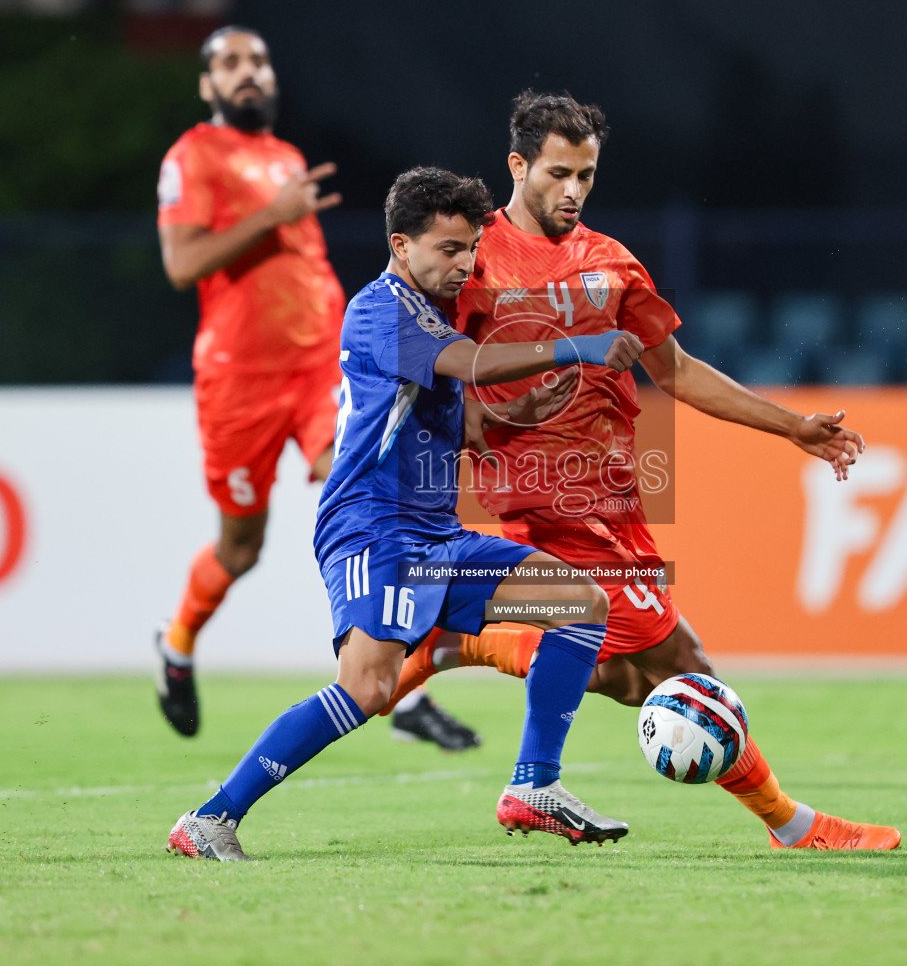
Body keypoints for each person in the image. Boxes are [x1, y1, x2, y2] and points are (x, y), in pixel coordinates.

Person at [381, 92, 901, 851]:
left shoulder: (611, 262)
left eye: (587, 176)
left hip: (617, 505)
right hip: (552, 508)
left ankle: (462, 644)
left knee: (626, 675)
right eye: (559, 173)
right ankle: (792, 825)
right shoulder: (471, 260)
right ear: (518, 166)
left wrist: (791, 427)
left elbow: (679, 372)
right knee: (684, 670)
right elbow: (421, 370)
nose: (574, 191)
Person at [167, 166, 643, 860]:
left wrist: (518, 415)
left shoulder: (430, 315)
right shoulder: (379, 311)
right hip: (372, 526)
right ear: (401, 244)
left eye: (470, 249)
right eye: (448, 249)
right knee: (368, 688)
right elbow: (473, 363)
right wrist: (580, 344)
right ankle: (210, 819)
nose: (463, 263)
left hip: (434, 535)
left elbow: (467, 424)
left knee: (579, 602)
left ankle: (534, 785)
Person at [153, 25, 478, 749]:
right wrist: (274, 215)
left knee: (367, 493)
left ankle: (392, 670)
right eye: (230, 64)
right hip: (238, 381)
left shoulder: (284, 157)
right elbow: (181, 264)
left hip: (316, 373)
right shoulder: (192, 155)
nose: (248, 73)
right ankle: (176, 646)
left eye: (259, 61)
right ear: (208, 85)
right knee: (240, 549)